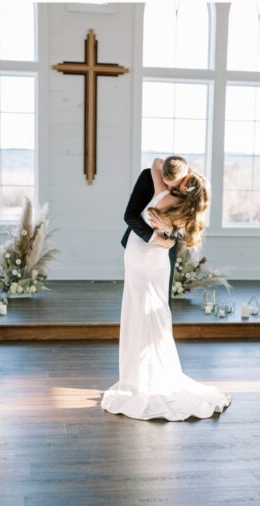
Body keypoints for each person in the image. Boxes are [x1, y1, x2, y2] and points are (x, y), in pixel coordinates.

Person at [102, 156, 231, 421]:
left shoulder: (183, 196)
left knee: (152, 313)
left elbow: (186, 232)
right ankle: (138, 377)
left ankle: (148, 380)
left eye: (176, 186)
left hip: (154, 257)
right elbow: (133, 209)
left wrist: (168, 233)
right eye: (169, 184)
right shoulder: (162, 180)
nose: (170, 188)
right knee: (141, 311)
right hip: (141, 249)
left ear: (185, 181)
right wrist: (160, 235)